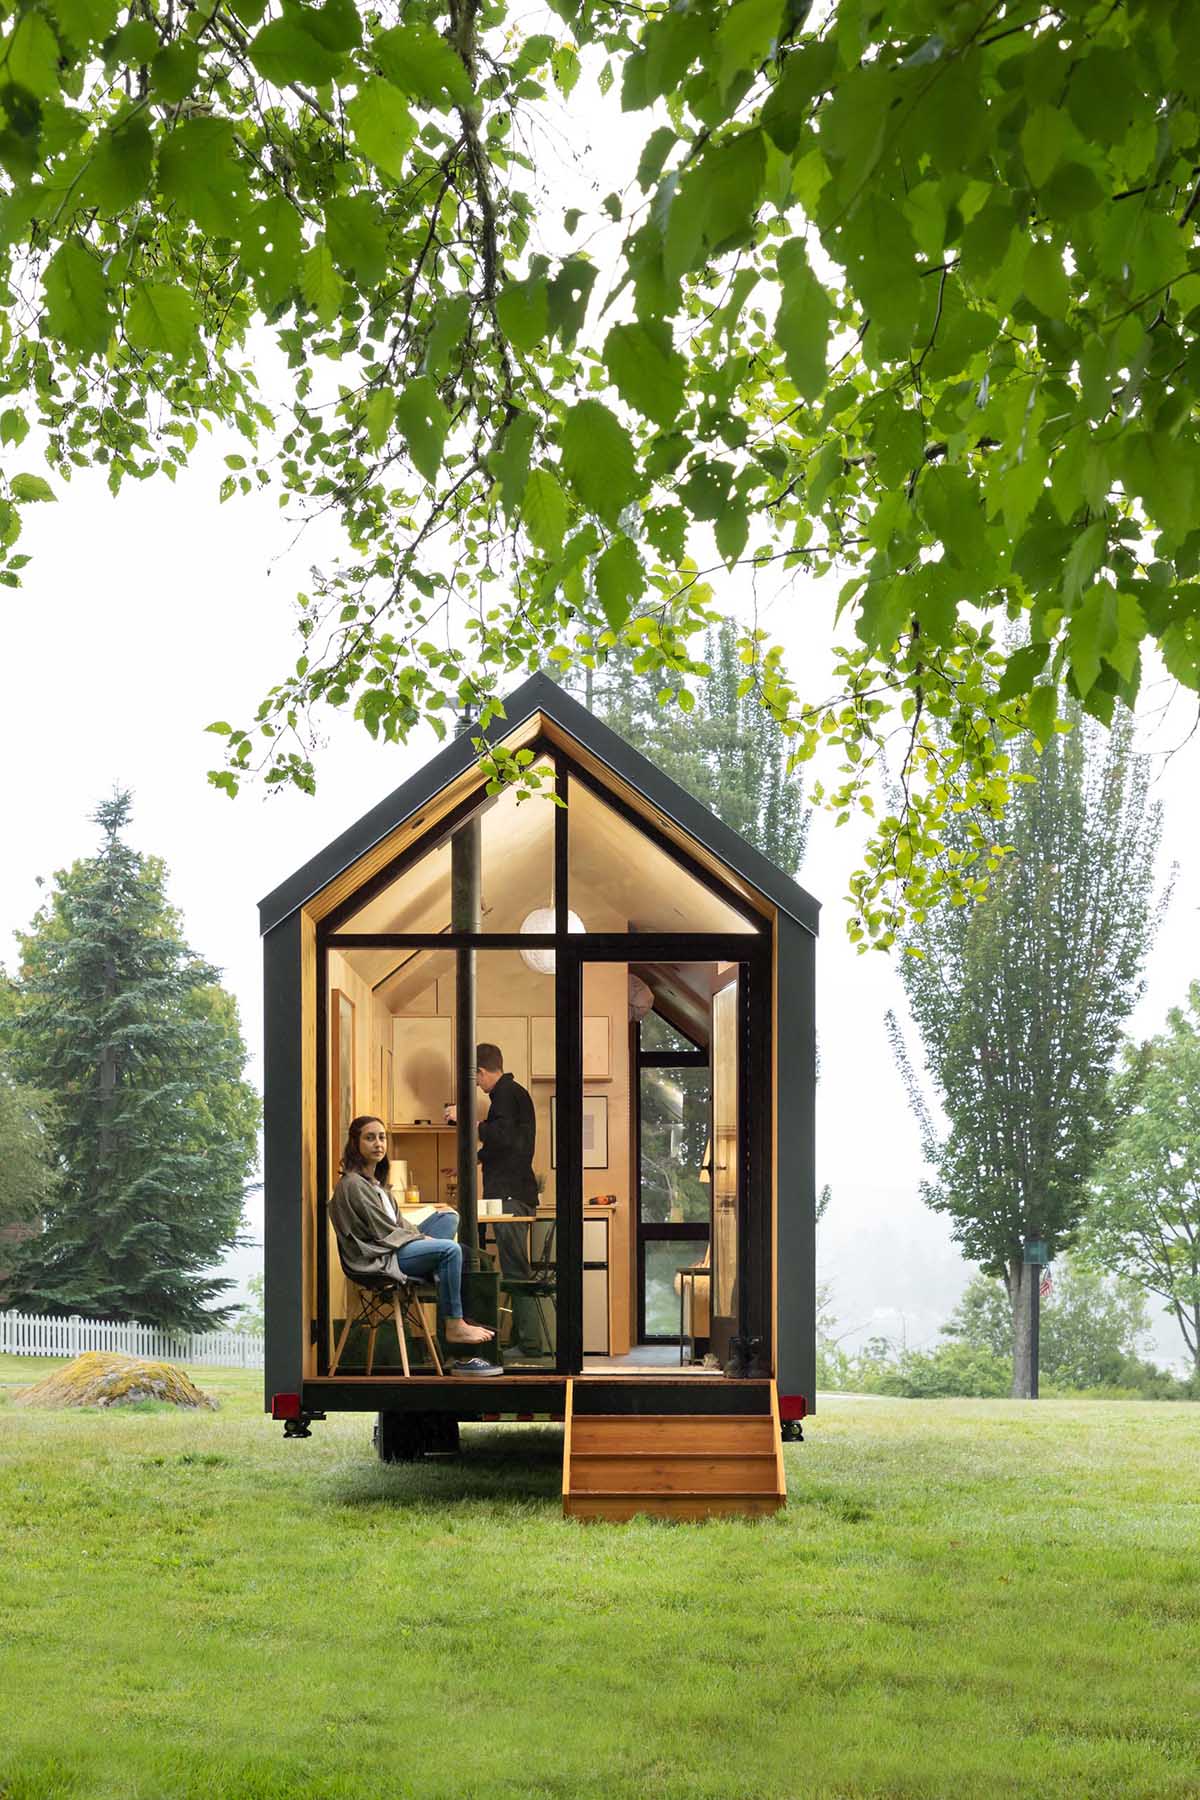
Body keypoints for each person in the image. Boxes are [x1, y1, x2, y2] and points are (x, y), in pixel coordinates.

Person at [328, 1115, 499, 1370]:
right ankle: (454, 1324)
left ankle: (443, 1275)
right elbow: (382, 1231)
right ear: (355, 1143)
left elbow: (401, 1225)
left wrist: (420, 1235)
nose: (378, 1143)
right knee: (451, 1250)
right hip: (381, 1256)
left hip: (396, 1246)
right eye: (370, 1137)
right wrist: (421, 1238)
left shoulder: (378, 1186)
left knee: (448, 1219)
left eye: (382, 1137)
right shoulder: (352, 1184)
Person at [444, 1044, 544, 1357]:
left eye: (476, 1079)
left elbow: (501, 1136)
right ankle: (521, 1342)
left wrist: (468, 1121)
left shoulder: (504, 1093)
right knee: (515, 1268)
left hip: (511, 1197)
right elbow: (505, 1144)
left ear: (482, 1072)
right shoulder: (511, 1093)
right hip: (515, 1194)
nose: (477, 1085)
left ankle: (528, 1344)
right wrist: (471, 1161)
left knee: (515, 1270)